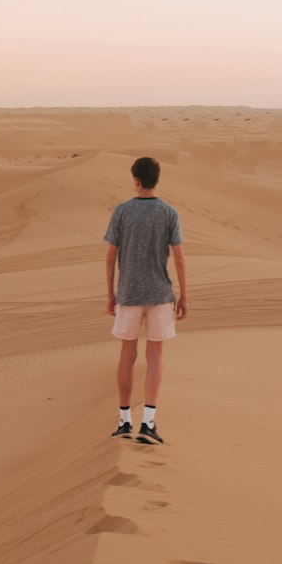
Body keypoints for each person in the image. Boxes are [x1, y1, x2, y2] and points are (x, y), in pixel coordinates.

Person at [104, 156, 187, 444]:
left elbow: (110, 256)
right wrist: (184, 295)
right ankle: (148, 424)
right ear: (156, 180)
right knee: (155, 357)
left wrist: (110, 293)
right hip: (160, 295)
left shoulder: (122, 212)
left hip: (129, 293)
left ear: (136, 180)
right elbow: (179, 257)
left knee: (127, 355)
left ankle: (124, 421)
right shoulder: (169, 213)